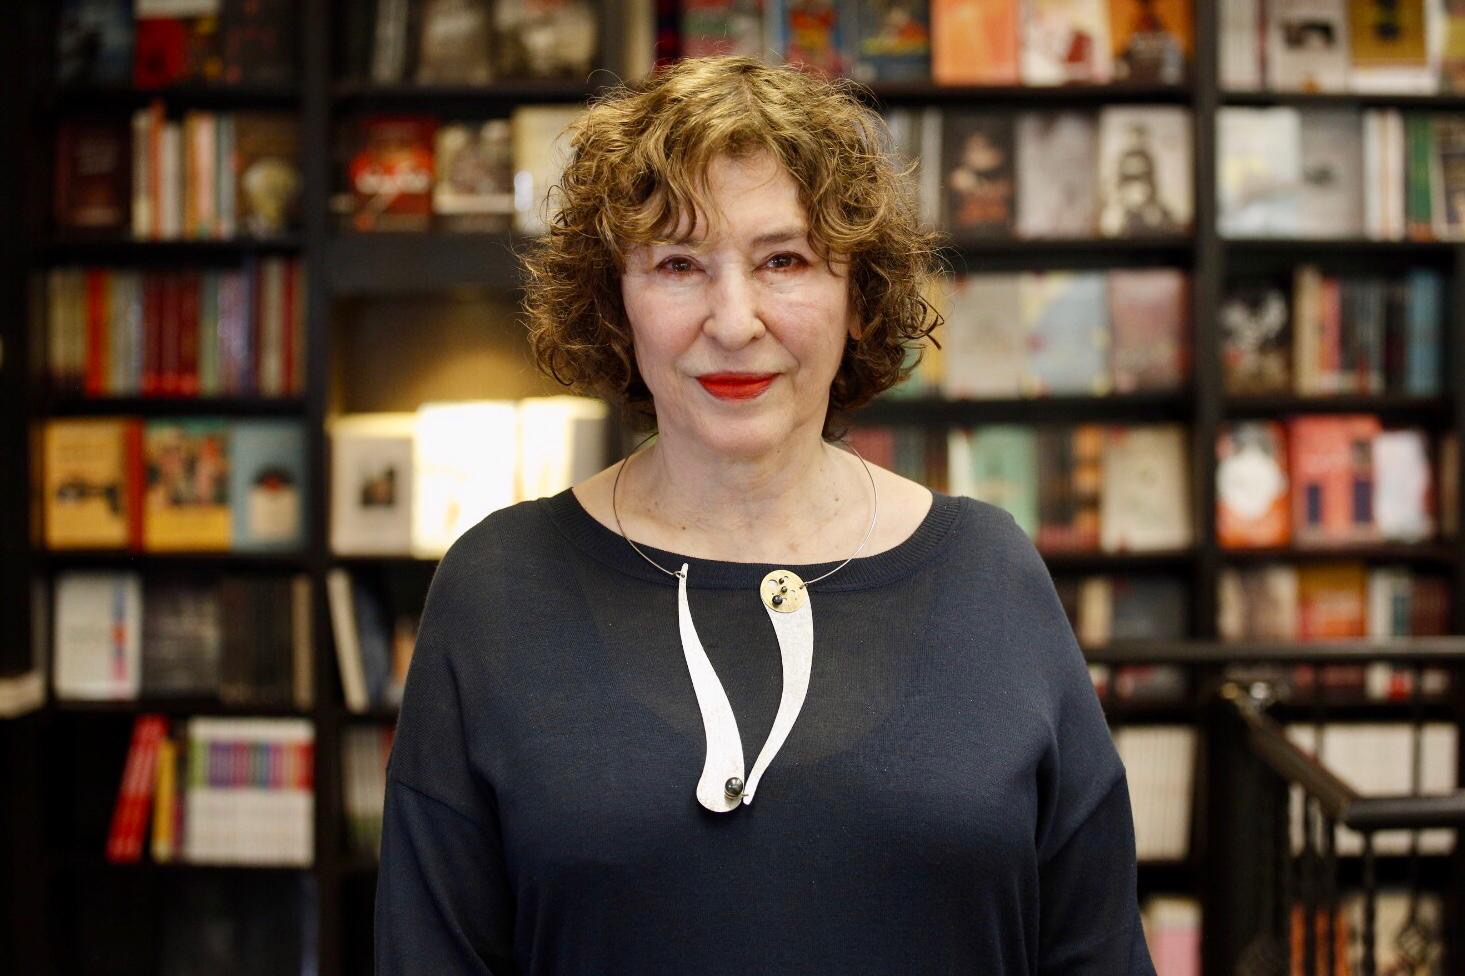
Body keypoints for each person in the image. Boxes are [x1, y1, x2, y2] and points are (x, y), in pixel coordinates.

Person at [374, 55, 1156, 975]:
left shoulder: (990, 571)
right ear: (616, 306)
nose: (733, 319)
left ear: (857, 300)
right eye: (676, 263)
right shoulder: (497, 587)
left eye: (782, 260)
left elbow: (1094, 951)